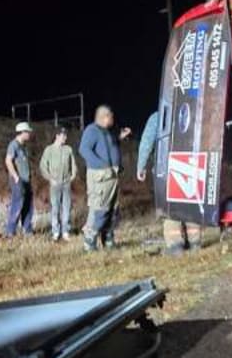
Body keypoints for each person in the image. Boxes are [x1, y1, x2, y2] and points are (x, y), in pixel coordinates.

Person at [137, 110, 203, 255]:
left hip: (166, 168)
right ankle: (195, 243)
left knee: (170, 207)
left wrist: (141, 166)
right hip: (191, 166)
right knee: (190, 204)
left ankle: (175, 245)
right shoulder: (192, 110)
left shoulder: (159, 115)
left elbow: (147, 142)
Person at [78, 105, 132, 251]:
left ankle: (108, 240)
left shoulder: (106, 132)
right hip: (101, 177)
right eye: (111, 117)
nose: (113, 120)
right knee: (100, 208)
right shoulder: (92, 130)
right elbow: (84, 149)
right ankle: (89, 243)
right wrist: (102, 166)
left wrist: (120, 137)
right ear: (105, 117)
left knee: (112, 209)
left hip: (112, 177)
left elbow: (109, 146)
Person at [39, 127, 77, 241]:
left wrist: (72, 176)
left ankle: (65, 231)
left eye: (66, 135)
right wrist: (50, 178)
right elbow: (43, 166)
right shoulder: (49, 150)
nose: (65, 137)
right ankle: (55, 231)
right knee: (55, 207)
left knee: (66, 207)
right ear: (57, 136)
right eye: (63, 135)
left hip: (66, 183)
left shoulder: (68, 149)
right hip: (54, 184)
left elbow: (73, 165)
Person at [4, 121, 35, 236]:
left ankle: (27, 230)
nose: (29, 134)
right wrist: (16, 177)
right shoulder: (14, 145)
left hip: (26, 180)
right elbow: (8, 161)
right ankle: (10, 231)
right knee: (17, 204)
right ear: (22, 132)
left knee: (28, 205)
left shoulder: (23, 147)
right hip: (18, 181)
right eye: (28, 132)